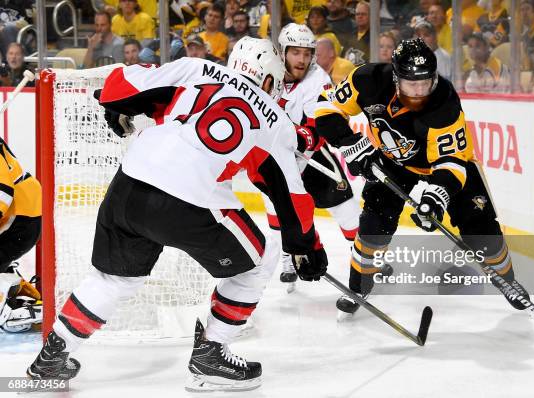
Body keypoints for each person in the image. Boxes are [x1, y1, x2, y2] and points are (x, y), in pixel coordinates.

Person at [27, 37, 328, 391]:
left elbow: (122, 85)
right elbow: (290, 196)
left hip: (128, 186)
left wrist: (119, 106)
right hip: (189, 202)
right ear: (268, 80)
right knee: (260, 259)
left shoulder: (196, 67)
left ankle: (50, 359)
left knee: (114, 279)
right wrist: (307, 245)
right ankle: (212, 353)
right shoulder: (274, 118)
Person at [314, 38, 530, 317]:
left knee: (481, 229)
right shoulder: (367, 79)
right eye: (410, 83)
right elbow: (326, 107)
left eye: (425, 83)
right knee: (373, 225)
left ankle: (508, 282)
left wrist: (436, 198)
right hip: (393, 162)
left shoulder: (444, 100)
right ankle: (359, 287)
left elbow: (451, 162)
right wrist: (352, 144)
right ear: (395, 77)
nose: (418, 91)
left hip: (447, 167)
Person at [271, 24, 360, 290]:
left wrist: (301, 139)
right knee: (277, 210)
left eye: (307, 53)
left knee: (346, 208)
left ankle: (366, 257)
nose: (302, 59)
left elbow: (319, 126)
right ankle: (289, 257)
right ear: (283, 52)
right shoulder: (269, 72)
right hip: (278, 158)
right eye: (295, 52)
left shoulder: (318, 79)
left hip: (311, 156)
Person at [0, 137, 42, 333]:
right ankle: (13, 287)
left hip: (22, 219)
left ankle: (14, 305)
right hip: (21, 218)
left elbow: (3, 191)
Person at [342, 0, 370, 66]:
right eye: (357, 14)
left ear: (371, 16)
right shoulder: (350, 35)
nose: (360, 16)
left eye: (363, 14)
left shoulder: (374, 37)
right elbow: (342, 57)